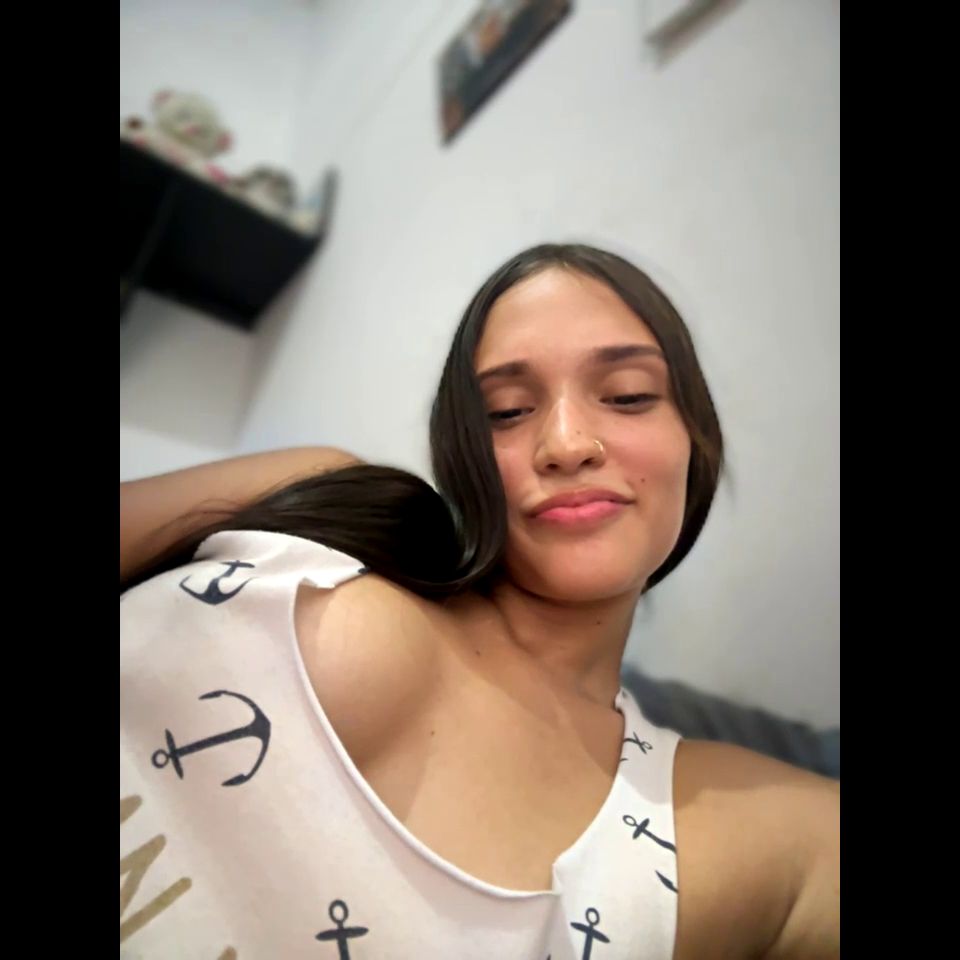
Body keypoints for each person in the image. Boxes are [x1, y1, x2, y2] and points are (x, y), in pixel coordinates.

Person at [120, 243, 840, 959]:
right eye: (507, 410)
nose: (566, 443)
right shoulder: (321, 498)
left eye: (627, 395)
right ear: (460, 453)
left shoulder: (744, 833)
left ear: (694, 440)